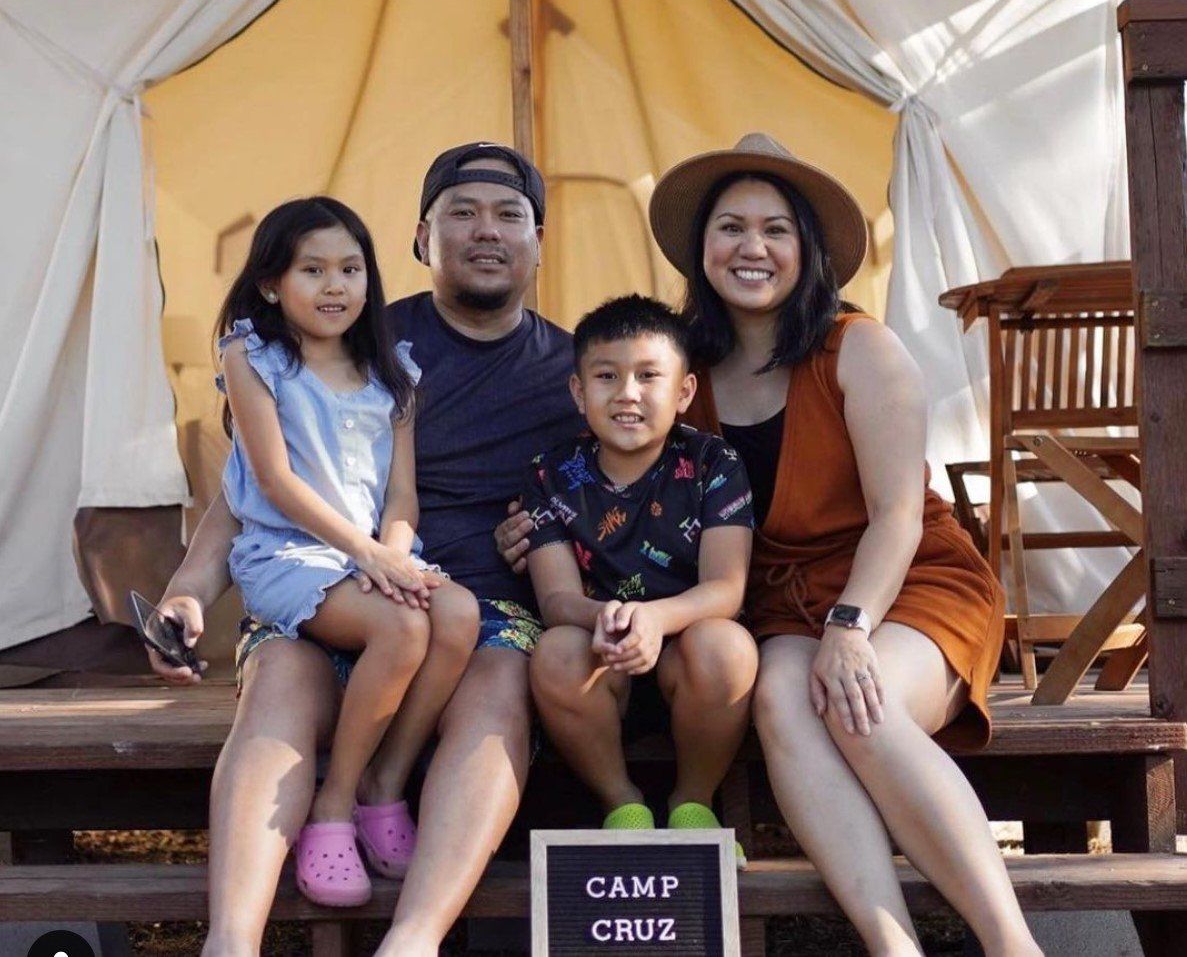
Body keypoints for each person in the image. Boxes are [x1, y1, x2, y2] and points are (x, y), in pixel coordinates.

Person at [498, 133, 1037, 957]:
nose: (752, 247)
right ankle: (891, 943)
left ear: (807, 249)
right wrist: (537, 524)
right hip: (778, 599)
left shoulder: (858, 347)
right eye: (730, 227)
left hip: (899, 584)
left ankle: (1009, 945)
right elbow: (612, 465)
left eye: (775, 229)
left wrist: (852, 627)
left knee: (860, 705)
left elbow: (895, 515)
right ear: (701, 247)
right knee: (785, 700)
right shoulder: (681, 367)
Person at [149, 145, 578, 957]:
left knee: (498, 689)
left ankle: (410, 941)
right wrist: (190, 591)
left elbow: (623, 487)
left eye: (507, 215)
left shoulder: (571, 371)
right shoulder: (354, 336)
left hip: (475, 613)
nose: (485, 232)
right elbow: (254, 490)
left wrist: (554, 535)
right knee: (279, 681)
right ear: (421, 237)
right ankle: (230, 941)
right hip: (326, 595)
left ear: (538, 238)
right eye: (461, 213)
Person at [212, 196, 478, 906]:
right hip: (293, 554)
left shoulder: (392, 370)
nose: (336, 286)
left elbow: (401, 496)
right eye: (313, 270)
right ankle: (331, 806)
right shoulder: (253, 357)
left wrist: (393, 553)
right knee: (401, 626)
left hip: (371, 553)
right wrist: (369, 556)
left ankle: (382, 784)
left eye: (351, 269)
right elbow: (275, 479)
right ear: (271, 283)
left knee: (456, 617)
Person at [525, 295, 757, 850]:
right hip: (601, 662)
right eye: (606, 376)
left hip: (689, 659)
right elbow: (556, 598)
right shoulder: (551, 473)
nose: (627, 393)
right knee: (555, 649)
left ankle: (692, 801)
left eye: (648, 376)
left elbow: (726, 587)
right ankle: (622, 802)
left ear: (684, 392)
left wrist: (655, 619)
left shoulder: (712, 464)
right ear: (579, 392)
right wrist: (608, 620)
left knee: (727, 647)